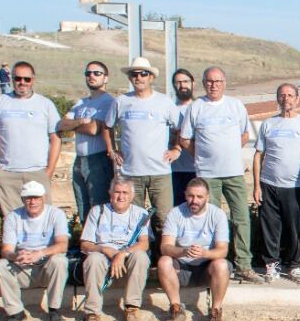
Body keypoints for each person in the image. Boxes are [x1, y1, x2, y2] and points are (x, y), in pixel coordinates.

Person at [178, 67, 257, 281]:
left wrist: (228, 152)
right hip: (207, 175)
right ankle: (212, 265)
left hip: (233, 173)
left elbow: (244, 134)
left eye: (218, 81)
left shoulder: (235, 105)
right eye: (210, 81)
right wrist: (202, 156)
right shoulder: (196, 108)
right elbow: (185, 139)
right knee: (209, 220)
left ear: (224, 82)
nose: (214, 85)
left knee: (241, 218)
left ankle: (243, 265)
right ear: (203, 83)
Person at [107, 56, 180, 238]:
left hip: (160, 171)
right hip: (131, 172)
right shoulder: (121, 101)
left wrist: (176, 149)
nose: (138, 78)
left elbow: (180, 128)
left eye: (143, 74)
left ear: (151, 77)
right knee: (134, 221)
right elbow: (107, 126)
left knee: (165, 220)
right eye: (134, 74)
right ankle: (139, 259)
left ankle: (163, 262)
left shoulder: (165, 102)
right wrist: (112, 150)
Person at [252, 82, 300, 283]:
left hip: (295, 186)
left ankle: (294, 266)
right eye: (282, 95)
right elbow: (258, 155)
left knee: (293, 227)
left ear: (297, 99)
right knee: (270, 226)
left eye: (289, 95)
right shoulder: (269, 124)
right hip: (269, 184)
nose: (286, 98)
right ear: (277, 99)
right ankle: (271, 264)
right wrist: (256, 186)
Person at [0, 60, 61, 217]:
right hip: (8, 174)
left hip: (37, 172)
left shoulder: (45, 104)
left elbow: (55, 137)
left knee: (41, 221)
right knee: (11, 222)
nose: (22, 82)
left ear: (33, 79)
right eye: (18, 78)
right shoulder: (0, 102)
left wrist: (49, 170)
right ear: (12, 79)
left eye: (27, 79)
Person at [156, 178, 230, 321]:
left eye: (199, 197)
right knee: (164, 262)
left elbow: (222, 250)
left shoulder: (217, 215)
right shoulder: (175, 213)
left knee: (222, 264)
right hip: (181, 266)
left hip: (206, 268)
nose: (194, 200)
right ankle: (176, 309)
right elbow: (165, 247)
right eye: (190, 196)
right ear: (185, 195)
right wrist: (182, 251)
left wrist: (205, 253)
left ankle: (216, 311)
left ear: (207, 197)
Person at [78, 176, 151, 321]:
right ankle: (92, 312)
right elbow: (85, 244)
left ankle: (131, 307)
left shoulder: (140, 214)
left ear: (131, 196)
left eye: (125, 193)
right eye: (117, 192)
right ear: (110, 193)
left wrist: (121, 254)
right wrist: (105, 250)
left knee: (141, 256)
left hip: (127, 256)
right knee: (93, 259)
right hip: (103, 255)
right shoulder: (97, 212)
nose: (121, 196)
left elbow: (144, 243)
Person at [0, 180, 70, 321]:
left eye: (36, 198)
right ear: (23, 200)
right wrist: (16, 256)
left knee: (59, 261)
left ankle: (54, 310)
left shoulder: (56, 214)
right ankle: (15, 312)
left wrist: (39, 253)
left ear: (43, 198)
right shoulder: (13, 217)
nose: (32, 201)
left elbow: (62, 244)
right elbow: (6, 249)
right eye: (28, 198)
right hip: (22, 265)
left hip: (46, 265)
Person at [58, 60, 116, 223]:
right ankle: (85, 244)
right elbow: (61, 124)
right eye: (88, 73)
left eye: (97, 73)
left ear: (106, 78)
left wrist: (75, 124)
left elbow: (94, 129)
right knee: (82, 205)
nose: (92, 76)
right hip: (79, 158)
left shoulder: (108, 101)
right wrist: (81, 122)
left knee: (98, 207)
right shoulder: (81, 102)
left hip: (98, 158)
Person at [169, 69, 198, 198]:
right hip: (175, 170)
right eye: (178, 82)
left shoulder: (201, 107)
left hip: (198, 169)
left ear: (193, 83)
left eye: (185, 81)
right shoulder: (169, 109)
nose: (182, 86)